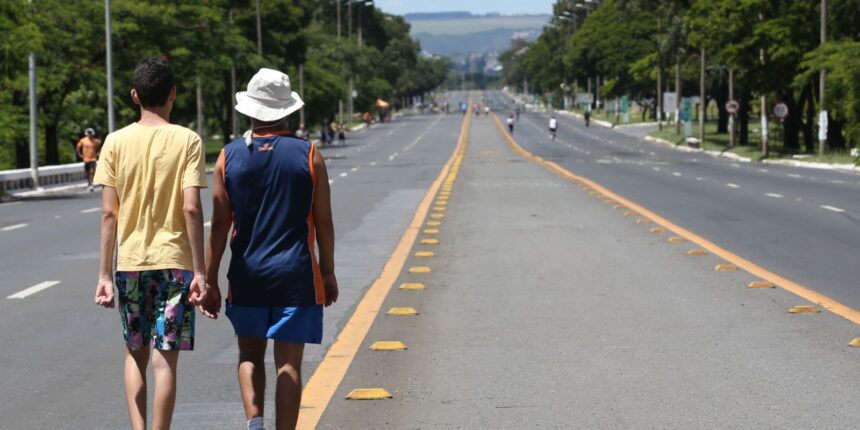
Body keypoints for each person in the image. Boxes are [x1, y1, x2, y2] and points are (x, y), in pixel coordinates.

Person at [204, 68, 338, 430]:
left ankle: (255, 423)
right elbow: (323, 221)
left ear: (250, 110)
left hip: (246, 274)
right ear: (287, 111)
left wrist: (211, 279)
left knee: (249, 353)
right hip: (296, 274)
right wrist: (327, 271)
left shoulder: (227, 157)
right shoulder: (309, 155)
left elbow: (219, 225)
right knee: (289, 363)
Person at [93, 57, 210, 430]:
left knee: (135, 354)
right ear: (173, 94)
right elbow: (191, 208)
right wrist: (201, 271)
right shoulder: (188, 141)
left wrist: (104, 275)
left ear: (134, 95)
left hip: (130, 263)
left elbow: (109, 215)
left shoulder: (114, 142)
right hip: (175, 263)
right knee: (165, 360)